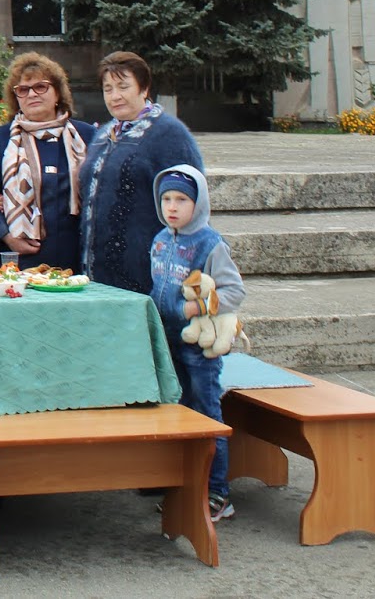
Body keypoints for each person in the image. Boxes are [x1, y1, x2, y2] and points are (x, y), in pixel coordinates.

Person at [150, 165, 245, 523]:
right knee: (178, 412)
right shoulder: (160, 239)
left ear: (199, 203)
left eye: (182, 200)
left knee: (206, 413)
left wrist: (197, 306)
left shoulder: (209, 243)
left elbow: (234, 291)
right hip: (168, 340)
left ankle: (218, 493)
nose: (173, 207)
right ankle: (186, 486)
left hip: (199, 347)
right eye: (167, 199)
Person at [78, 51, 204, 295]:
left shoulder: (169, 134)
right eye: (108, 89)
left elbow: (193, 203)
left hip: (150, 273)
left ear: (144, 88)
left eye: (123, 87)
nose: (115, 96)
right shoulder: (102, 136)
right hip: (96, 274)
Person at [0, 52, 94, 272]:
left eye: (41, 87)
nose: (32, 94)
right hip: (18, 262)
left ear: (57, 93)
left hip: (75, 260)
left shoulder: (87, 137)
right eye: (23, 90)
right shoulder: (2, 138)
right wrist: (6, 236)